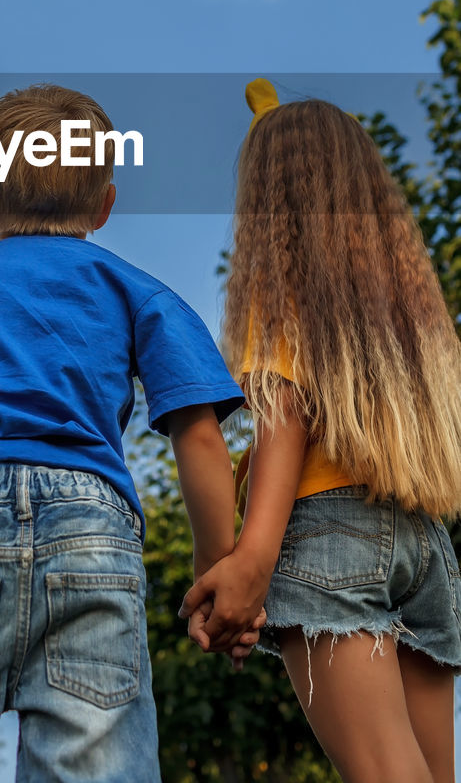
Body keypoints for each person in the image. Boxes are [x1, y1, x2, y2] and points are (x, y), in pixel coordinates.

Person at [0, 83, 258, 783]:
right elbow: (198, 434)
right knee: (95, 764)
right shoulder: (135, 290)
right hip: (90, 529)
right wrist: (217, 568)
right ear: (103, 204)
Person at [180, 79, 461, 783]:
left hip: (327, 538)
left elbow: (286, 410)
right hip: (422, 544)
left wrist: (250, 559)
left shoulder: (282, 294)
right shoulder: (406, 321)